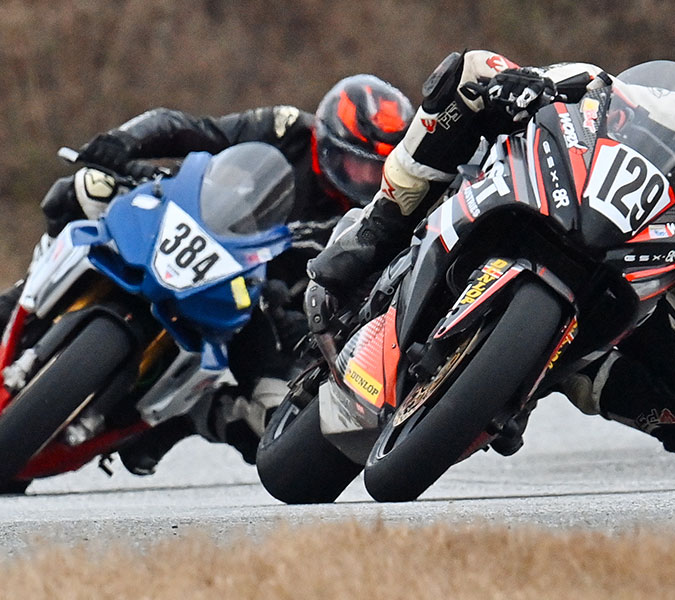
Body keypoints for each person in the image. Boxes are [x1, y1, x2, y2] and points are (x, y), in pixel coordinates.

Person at [307, 50, 675, 455]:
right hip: (609, 215)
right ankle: (378, 229)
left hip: (664, 302)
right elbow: (611, 90)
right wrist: (543, 83)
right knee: (476, 73)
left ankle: (548, 373)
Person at [0, 74, 413, 473]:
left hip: (260, 301)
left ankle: (183, 417)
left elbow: (364, 301)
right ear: (324, 140)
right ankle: (22, 298)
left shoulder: (384, 213)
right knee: (85, 189)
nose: (364, 178)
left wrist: (304, 323)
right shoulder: (285, 128)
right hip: (203, 233)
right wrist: (123, 142)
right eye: (354, 162)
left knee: (269, 420)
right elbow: (187, 129)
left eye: (376, 169)